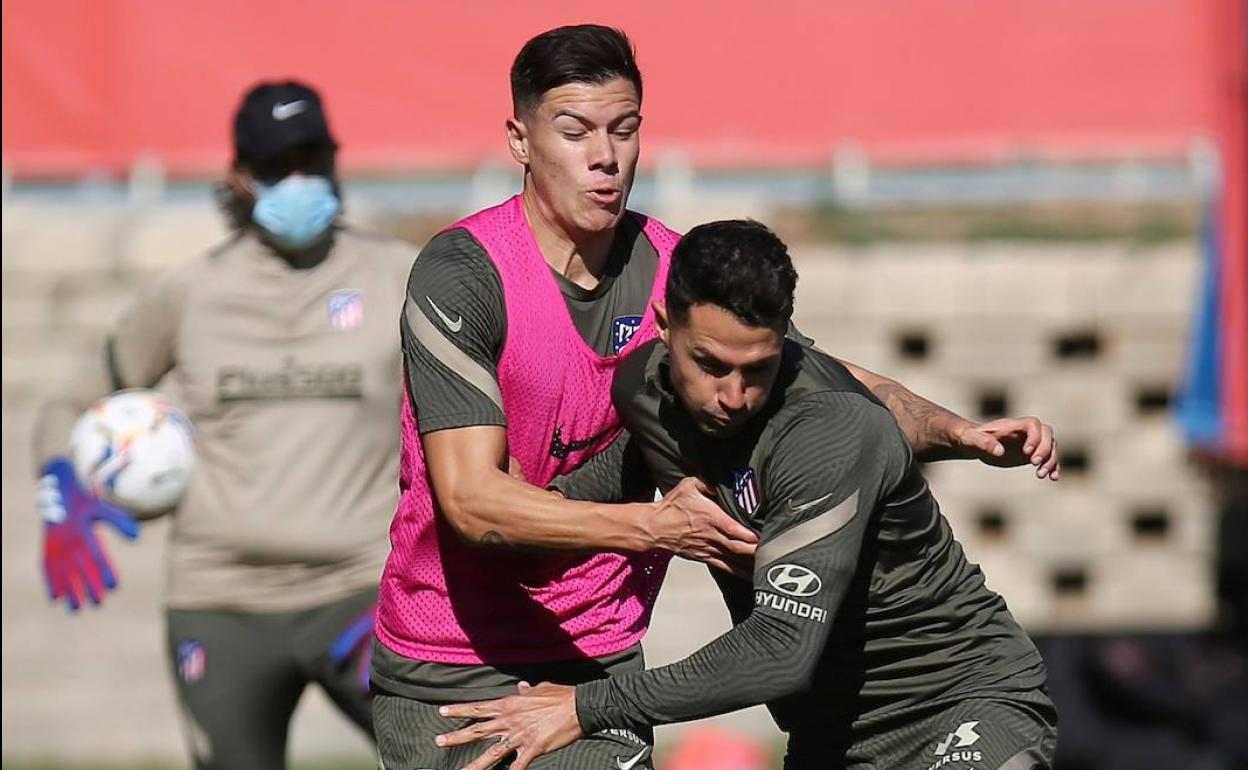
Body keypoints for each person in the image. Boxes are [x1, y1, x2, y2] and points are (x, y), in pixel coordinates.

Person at [374, 24, 1058, 770]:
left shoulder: (686, 280)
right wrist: (653, 528)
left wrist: (953, 429)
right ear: (520, 139)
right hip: (451, 651)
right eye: (575, 132)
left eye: (625, 130)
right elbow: (472, 501)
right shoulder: (471, 277)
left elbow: (825, 376)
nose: (606, 156)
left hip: (601, 658)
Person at [434, 220, 1059, 770]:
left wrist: (585, 706)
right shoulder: (643, 392)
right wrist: (536, 505)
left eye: (756, 370)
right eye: (709, 365)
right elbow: (615, 485)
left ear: (785, 340)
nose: (731, 396)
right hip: (828, 733)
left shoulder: (828, 434)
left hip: (956, 700)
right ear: (662, 328)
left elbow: (781, 651)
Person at [33, 80, 414, 770]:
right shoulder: (190, 295)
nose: (298, 180)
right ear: (241, 176)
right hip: (222, 603)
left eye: (312, 159)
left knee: (454, 757)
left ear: (336, 160)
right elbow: (68, 403)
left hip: (365, 595)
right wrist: (59, 484)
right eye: (277, 166)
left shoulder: (399, 279)